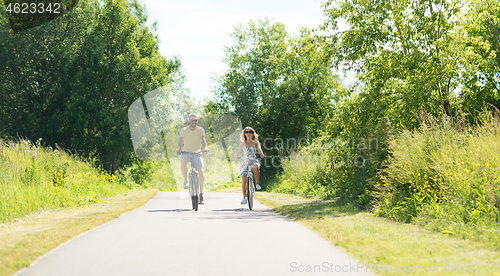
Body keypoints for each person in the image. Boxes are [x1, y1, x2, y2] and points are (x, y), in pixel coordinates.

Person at [176, 114, 210, 205]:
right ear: (189, 121)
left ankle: (201, 194)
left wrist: (205, 147)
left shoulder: (200, 130)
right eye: (192, 120)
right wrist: (179, 148)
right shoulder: (184, 130)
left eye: (195, 120)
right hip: (187, 152)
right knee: (183, 162)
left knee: (201, 171)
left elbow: (203, 140)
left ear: (197, 121)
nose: (193, 122)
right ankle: (186, 181)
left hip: (197, 153)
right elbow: (180, 140)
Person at [233, 126, 264, 204]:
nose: (248, 133)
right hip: (245, 162)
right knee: (244, 181)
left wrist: (261, 154)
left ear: (253, 133)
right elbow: (239, 150)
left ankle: (257, 184)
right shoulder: (243, 143)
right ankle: (244, 198)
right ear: (244, 134)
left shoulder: (256, 142)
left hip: (253, 160)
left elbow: (259, 149)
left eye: (250, 132)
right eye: (246, 132)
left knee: (256, 166)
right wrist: (236, 156)